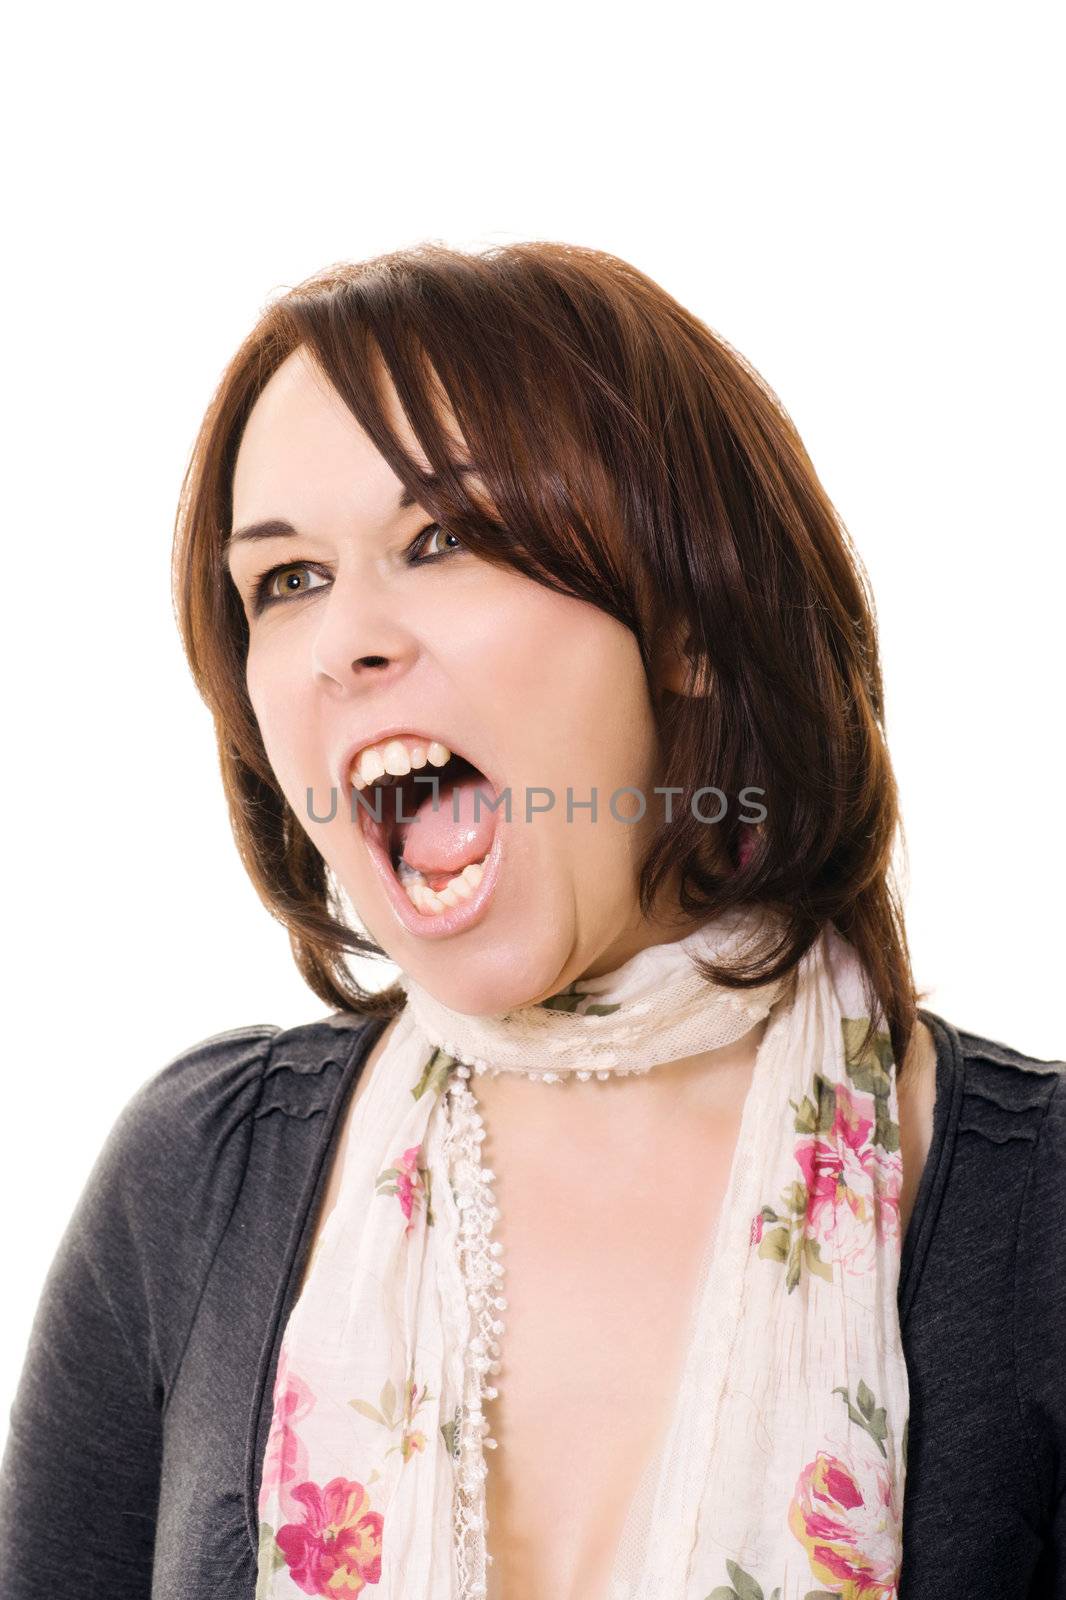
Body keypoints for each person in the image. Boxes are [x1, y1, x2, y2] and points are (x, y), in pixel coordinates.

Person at [1, 241, 1062, 1599]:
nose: (344, 644)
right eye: (286, 581)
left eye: (441, 541)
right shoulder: (188, 1180)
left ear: (687, 616)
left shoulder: (1034, 1209)